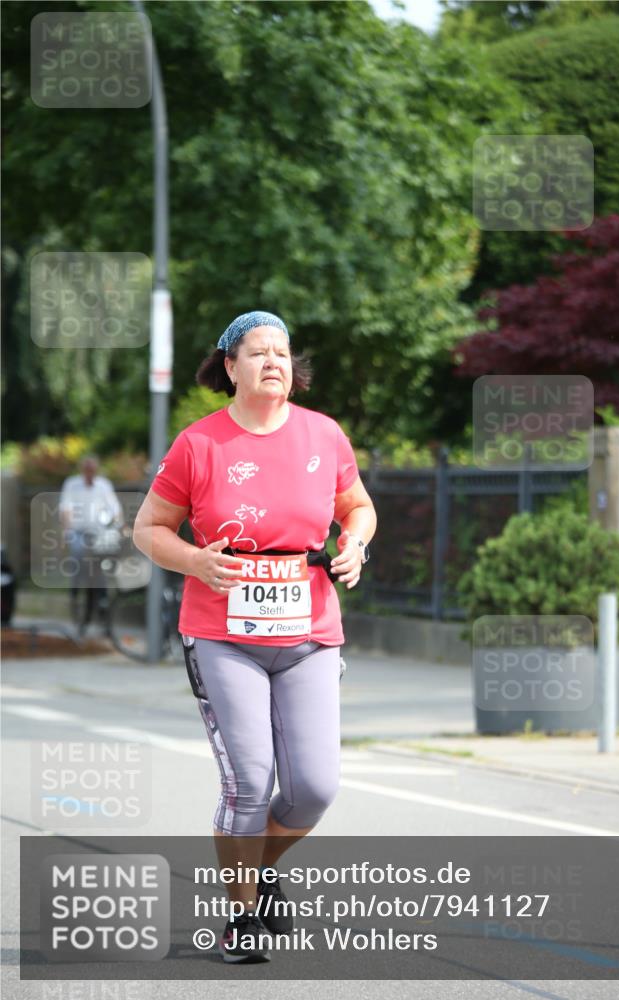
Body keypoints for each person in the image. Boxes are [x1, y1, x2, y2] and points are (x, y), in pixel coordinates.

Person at [133, 310, 376, 963]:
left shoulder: (323, 435)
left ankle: (260, 867)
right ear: (230, 367)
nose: (274, 361)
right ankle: (239, 917)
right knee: (248, 780)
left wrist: (353, 542)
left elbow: (357, 506)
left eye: (283, 352)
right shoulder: (198, 444)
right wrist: (195, 560)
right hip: (221, 633)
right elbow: (149, 528)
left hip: (309, 628)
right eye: (258, 352)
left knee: (314, 789)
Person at [59, 455, 123, 634]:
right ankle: (75, 592)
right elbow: (66, 509)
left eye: (92, 470)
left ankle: (102, 605)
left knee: (102, 568)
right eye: (87, 470)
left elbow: (115, 510)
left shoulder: (104, 485)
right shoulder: (72, 484)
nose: (90, 474)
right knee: (79, 557)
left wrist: (118, 527)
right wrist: (67, 532)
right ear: (82, 470)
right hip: (78, 533)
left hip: (99, 533)